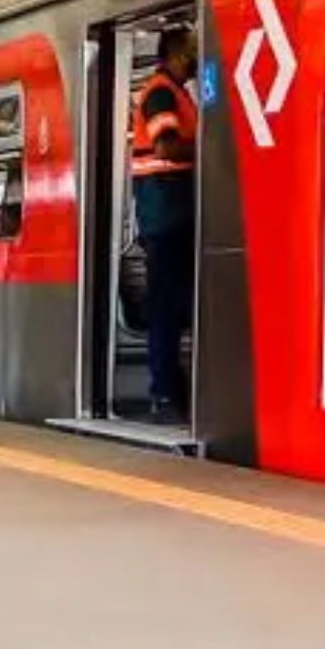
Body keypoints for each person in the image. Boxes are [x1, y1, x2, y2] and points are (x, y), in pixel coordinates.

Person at [129, 27, 198, 419]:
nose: (194, 56)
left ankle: (172, 388)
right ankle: (164, 394)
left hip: (174, 212)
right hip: (164, 213)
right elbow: (165, 147)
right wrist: (212, 146)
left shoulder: (178, 93)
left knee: (174, 307)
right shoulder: (160, 93)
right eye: (191, 50)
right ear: (174, 52)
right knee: (167, 309)